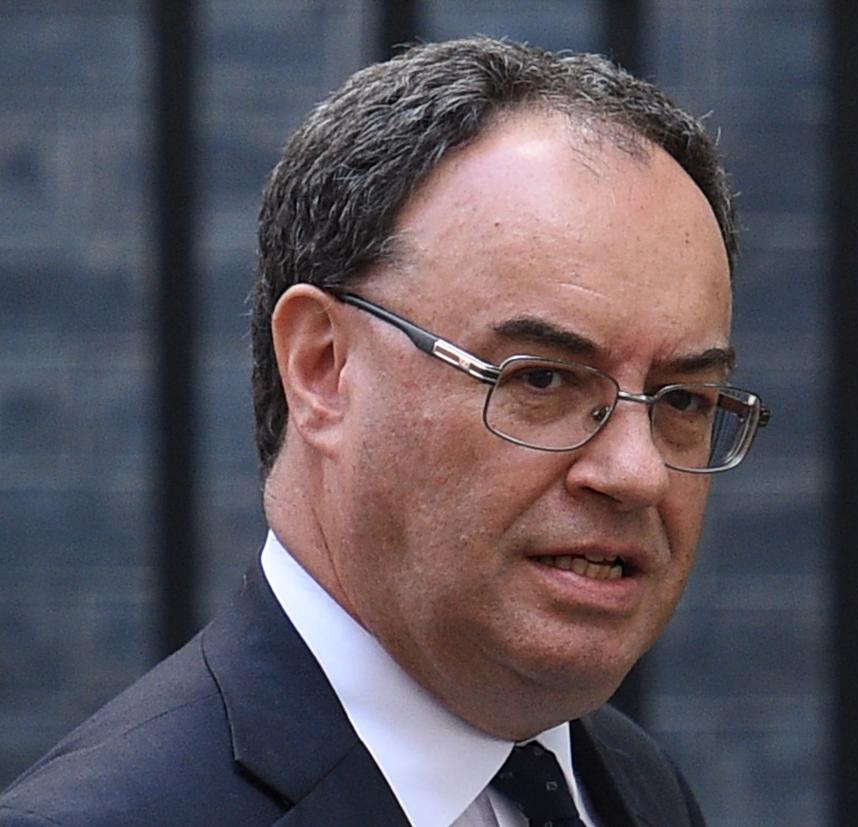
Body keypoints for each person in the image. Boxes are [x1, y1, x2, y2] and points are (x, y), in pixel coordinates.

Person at [0, 36, 769, 827]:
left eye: (682, 399)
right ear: (322, 367)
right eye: (542, 378)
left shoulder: (638, 788)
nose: (637, 472)